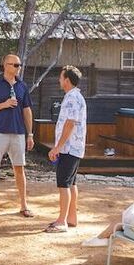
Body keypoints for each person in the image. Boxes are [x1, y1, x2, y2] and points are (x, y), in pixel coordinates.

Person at [0, 54, 34, 217]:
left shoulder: (22, 86)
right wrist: (4, 104)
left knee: (19, 168)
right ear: (6, 65)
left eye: (19, 65)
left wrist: (29, 134)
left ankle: (24, 205)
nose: (18, 68)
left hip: (18, 133)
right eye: (15, 65)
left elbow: (27, 110)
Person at [46, 65, 87, 233]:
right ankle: (71, 217)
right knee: (71, 183)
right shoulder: (75, 96)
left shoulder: (72, 98)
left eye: (61, 77)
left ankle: (62, 221)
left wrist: (57, 147)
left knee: (63, 184)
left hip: (69, 148)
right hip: (74, 148)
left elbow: (70, 124)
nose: (59, 80)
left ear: (67, 80)